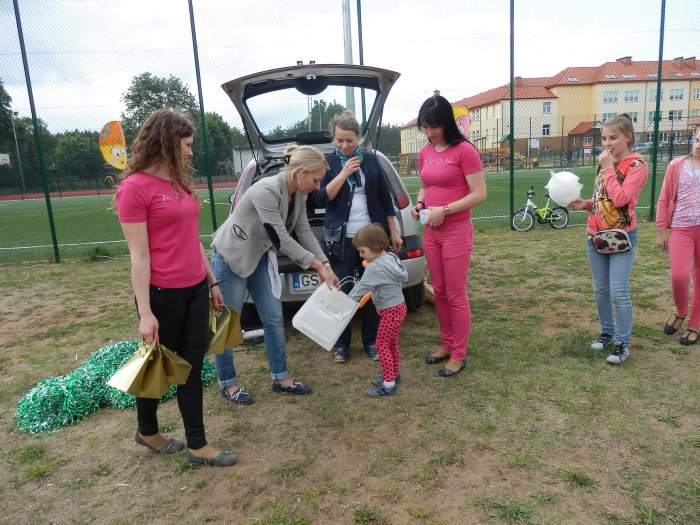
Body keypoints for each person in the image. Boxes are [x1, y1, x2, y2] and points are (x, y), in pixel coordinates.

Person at [115, 109, 236, 467]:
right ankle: (148, 431)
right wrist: (146, 313)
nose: (190, 152)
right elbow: (138, 256)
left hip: (196, 288)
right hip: (161, 296)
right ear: (166, 143)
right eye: (186, 145)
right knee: (155, 366)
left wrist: (211, 280)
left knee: (192, 366)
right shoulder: (134, 188)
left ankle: (197, 445)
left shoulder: (179, 183)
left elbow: (191, 238)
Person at [211, 145, 338, 401]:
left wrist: (325, 264)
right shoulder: (265, 190)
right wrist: (316, 266)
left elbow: (303, 232)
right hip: (231, 258)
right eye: (315, 180)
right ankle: (227, 383)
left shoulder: (299, 194)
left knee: (273, 318)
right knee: (226, 323)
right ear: (300, 173)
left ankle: (281, 378)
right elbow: (281, 239)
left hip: (258, 258)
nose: (317, 187)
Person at [313, 112, 402, 364]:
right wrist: (343, 173)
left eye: (349, 141)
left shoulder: (371, 160)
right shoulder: (328, 162)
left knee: (373, 291)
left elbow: (385, 198)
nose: (344, 145)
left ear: (359, 139)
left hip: (372, 240)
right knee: (342, 292)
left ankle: (371, 341)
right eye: (339, 140)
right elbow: (321, 198)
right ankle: (341, 344)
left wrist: (393, 231)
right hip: (340, 239)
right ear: (333, 138)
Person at [411, 95, 487, 377]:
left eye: (435, 126)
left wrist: (445, 209)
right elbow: (425, 185)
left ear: (447, 123)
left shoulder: (465, 151)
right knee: (439, 291)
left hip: (456, 231)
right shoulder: (425, 153)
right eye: (425, 127)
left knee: (455, 294)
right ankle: (446, 343)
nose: (430, 132)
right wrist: (420, 204)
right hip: (431, 231)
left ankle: (458, 353)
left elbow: (479, 194)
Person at [570, 114, 648, 364]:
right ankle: (607, 331)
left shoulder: (636, 165)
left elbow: (621, 199)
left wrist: (607, 168)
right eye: (604, 138)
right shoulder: (606, 164)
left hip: (621, 237)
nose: (607, 143)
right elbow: (603, 200)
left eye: (613, 138)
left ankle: (622, 342)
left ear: (628, 137)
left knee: (619, 292)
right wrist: (586, 204)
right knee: (601, 289)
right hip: (596, 235)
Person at [348, 224, 408, 397]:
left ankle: (388, 385)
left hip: (390, 311)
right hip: (398, 307)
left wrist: (345, 302)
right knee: (391, 343)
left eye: (362, 251)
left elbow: (361, 288)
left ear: (374, 247)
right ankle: (394, 375)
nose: (361, 255)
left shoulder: (374, 267)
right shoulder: (390, 257)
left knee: (381, 345)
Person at [656, 127, 700, 346]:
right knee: (679, 276)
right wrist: (662, 229)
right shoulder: (676, 165)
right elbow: (664, 199)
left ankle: (696, 323)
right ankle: (681, 311)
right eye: (698, 140)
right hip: (681, 229)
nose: (699, 145)